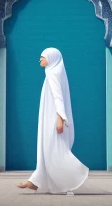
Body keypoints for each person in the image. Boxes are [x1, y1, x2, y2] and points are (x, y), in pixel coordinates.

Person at [17, 48, 89, 194]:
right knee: (46, 151)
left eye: (42, 57)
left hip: (53, 120)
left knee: (54, 151)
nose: (40, 60)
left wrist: (59, 118)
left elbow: (58, 97)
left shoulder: (53, 73)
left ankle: (76, 174)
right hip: (50, 118)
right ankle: (35, 182)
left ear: (51, 58)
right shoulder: (54, 72)